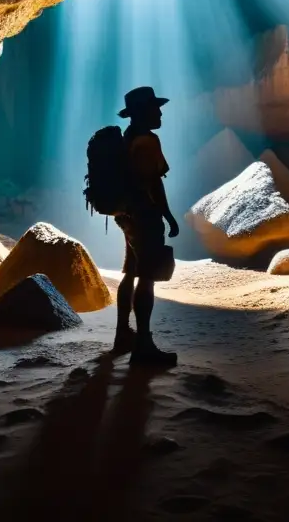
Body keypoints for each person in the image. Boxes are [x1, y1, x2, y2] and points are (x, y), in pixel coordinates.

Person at [112, 86, 179, 367]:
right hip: (145, 216)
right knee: (147, 277)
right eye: (155, 108)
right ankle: (143, 346)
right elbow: (155, 182)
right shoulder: (148, 141)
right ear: (142, 112)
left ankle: (122, 334)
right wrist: (168, 216)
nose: (160, 112)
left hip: (126, 215)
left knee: (130, 271)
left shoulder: (126, 139)